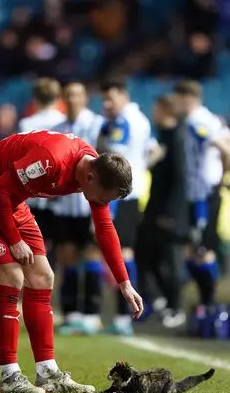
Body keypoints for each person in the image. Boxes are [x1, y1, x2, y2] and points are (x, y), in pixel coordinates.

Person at [0, 129, 143, 393]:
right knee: (12, 277)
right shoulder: (51, 161)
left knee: (43, 277)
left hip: (11, 202)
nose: (102, 204)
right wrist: (14, 240)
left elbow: (104, 227)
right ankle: (9, 376)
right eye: (103, 198)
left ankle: (47, 372)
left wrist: (124, 283)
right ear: (90, 178)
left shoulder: (94, 169)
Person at [173, 80, 230, 308]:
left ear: (188, 98)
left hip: (203, 193)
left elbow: (227, 147)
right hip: (202, 191)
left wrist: (224, 174)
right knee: (196, 248)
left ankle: (209, 301)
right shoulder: (210, 117)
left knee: (202, 249)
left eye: (178, 98)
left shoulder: (197, 121)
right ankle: (204, 300)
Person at [97, 76, 155, 336]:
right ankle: (124, 316)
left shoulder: (123, 121)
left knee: (121, 254)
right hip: (134, 192)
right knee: (124, 251)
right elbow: (155, 150)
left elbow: (113, 153)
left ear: (122, 94)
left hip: (123, 196)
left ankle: (123, 316)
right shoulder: (141, 120)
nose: (107, 104)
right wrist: (140, 170)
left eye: (110, 98)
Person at [50, 81, 107, 336]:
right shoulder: (57, 129)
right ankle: (71, 312)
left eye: (77, 95)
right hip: (64, 205)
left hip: (89, 204)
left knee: (92, 254)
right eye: (69, 95)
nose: (73, 99)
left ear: (85, 99)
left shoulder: (97, 125)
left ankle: (92, 313)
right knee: (66, 255)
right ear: (63, 98)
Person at [134, 94, 189, 328]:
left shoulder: (177, 138)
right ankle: (159, 300)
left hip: (169, 213)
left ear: (166, 111)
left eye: (156, 110)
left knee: (171, 261)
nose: (153, 115)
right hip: (155, 210)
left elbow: (179, 179)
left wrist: (170, 214)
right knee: (146, 257)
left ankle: (176, 307)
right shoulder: (165, 138)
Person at [17, 77, 66, 238]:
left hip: (34, 188)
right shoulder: (64, 122)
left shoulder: (27, 124)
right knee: (60, 244)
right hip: (58, 189)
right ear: (58, 97)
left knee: (35, 240)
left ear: (35, 99)